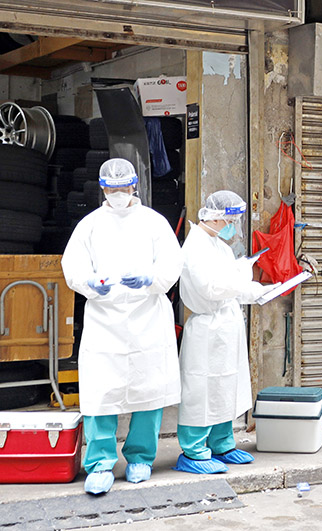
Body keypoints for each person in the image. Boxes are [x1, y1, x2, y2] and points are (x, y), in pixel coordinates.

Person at [61, 158, 183, 495]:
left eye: (123, 188)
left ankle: (141, 457)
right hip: (104, 319)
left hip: (148, 316)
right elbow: (73, 266)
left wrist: (150, 279)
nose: (117, 194)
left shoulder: (154, 223)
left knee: (148, 391)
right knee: (101, 394)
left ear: (134, 186)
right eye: (111, 189)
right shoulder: (89, 225)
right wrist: (88, 283)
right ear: (102, 188)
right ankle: (99, 462)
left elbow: (173, 263)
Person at [174, 191, 279, 474]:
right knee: (201, 390)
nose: (234, 225)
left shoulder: (218, 245)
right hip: (206, 329)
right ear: (216, 216)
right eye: (231, 219)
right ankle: (194, 450)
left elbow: (230, 285)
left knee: (225, 387)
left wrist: (256, 289)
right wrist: (247, 287)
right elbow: (211, 287)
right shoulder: (195, 246)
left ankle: (222, 444)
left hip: (227, 326)